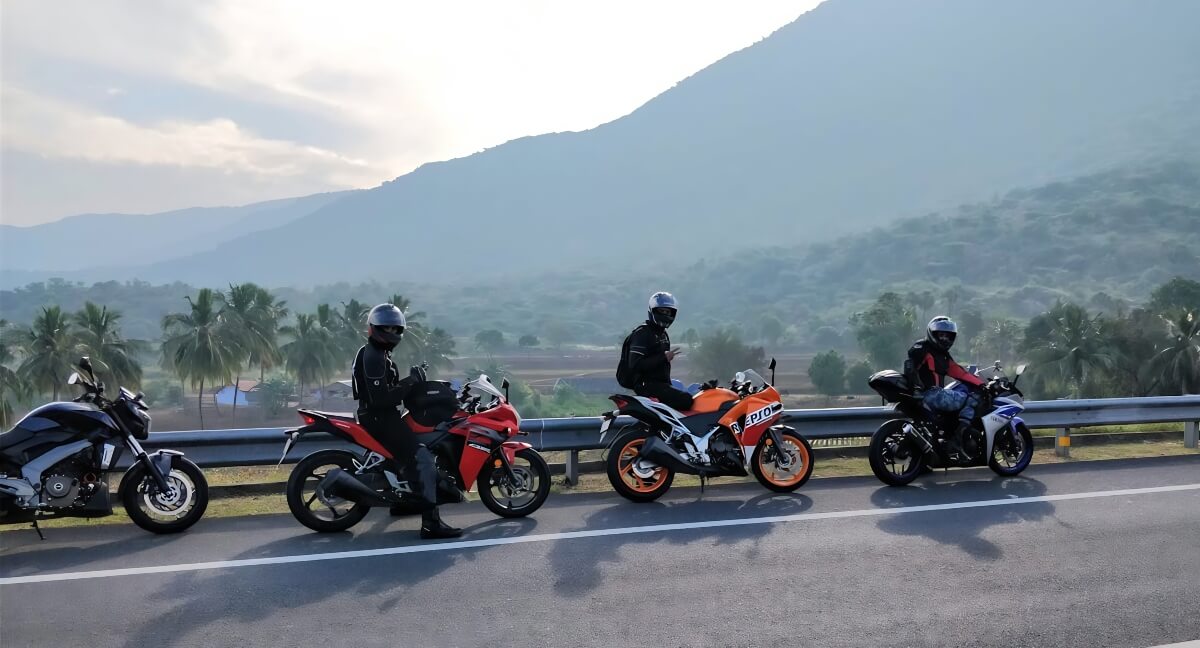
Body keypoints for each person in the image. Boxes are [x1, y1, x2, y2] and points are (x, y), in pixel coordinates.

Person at [352, 303, 461, 539]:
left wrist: (411, 383)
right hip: (380, 417)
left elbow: (387, 391)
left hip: (381, 415)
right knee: (423, 459)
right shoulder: (373, 356)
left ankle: (404, 502)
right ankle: (431, 523)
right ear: (374, 328)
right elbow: (381, 398)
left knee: (403, 457)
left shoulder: (377, 353)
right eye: (386, 327)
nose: (391, 332)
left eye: (395, 328)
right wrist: (410, 382)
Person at [904, 316, 984, 464]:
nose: (945, 339)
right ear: (932, 334)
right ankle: (959, 438)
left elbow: (959, 372)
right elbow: (958, 372)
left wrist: (979, 382)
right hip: (931, 394)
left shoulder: (931, 351)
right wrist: (981, 385)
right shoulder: (927, 350)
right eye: (941, 335)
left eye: (948, 336)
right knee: (970, 396)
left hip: (921, 396)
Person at [623, 292, 694, 412]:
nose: (666, 315)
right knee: (686, 400)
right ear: (652, 311)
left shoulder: (662, 334)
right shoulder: (642, 333)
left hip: (660, 385)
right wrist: (663, 357)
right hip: (647, 386)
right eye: (662, 311)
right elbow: (634, 365)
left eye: (668, 312)